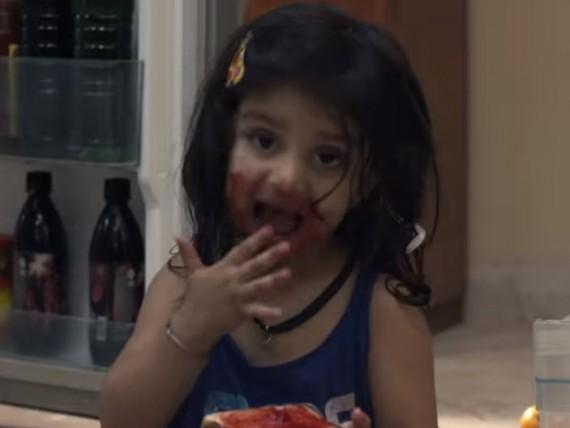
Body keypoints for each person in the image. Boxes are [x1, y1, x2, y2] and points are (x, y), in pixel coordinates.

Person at [100, 3, 439, 428]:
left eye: (328, 157)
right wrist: (189, 334)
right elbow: (119, 421)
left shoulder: (383, 310)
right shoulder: (185, 284)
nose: (287, 178)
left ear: (366, 182)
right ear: (224, 144)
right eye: (264, 141)